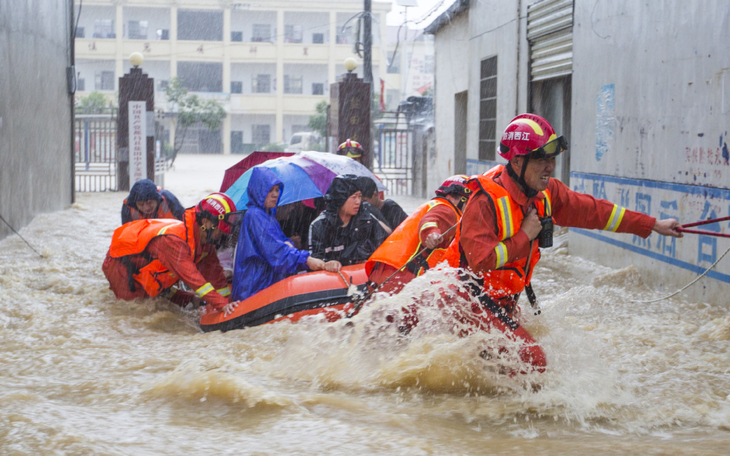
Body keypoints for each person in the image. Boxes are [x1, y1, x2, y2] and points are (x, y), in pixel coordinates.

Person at [440, 113, 683, 370]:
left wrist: (652, 224)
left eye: (552, 159)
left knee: (514, 364)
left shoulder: (547, 193)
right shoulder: (484, 201)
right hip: (467, 302)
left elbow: (594, 211)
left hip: (499, 303)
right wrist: (525, 235)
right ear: (518, 161)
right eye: (541, 159)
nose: (550, 167)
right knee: (535, 361)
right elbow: (480, 261)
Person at [103, 193, 242, 315]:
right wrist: (221, 305)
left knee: (160, 293)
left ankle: (190, 300)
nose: (222, 233)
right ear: (206, 222)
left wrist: (227, 301)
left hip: (144, 264)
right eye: (220, 229)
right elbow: (192, 278)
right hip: (120, 264)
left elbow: (214, 274)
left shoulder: (204, 241)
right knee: (139, 309)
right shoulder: (174, 241)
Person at [232, 168, 339, 302]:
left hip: (264, 282)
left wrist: (289, 246)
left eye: (277, 189)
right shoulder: (255, 216)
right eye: (270, 190)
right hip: (255, 287)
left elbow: (280, 245)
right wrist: (307, 260)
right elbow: (277, 253)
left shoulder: (267, 216)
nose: (275, 194)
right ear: (259, 191)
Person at [366, 175, 474, 295]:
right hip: (403, 277)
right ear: (461, 198)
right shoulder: (448, 210)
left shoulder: (431, 205)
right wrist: (431, 234)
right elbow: (430, 221)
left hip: (383, 272)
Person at [309, 174, 389, 267]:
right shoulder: (319, 225)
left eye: (360, 196)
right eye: (354, 197)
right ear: (340, 198)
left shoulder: (366, 220)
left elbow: (384, 246)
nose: (358, 201)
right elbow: (313, 260)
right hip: (334, 279)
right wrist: (326, 264)